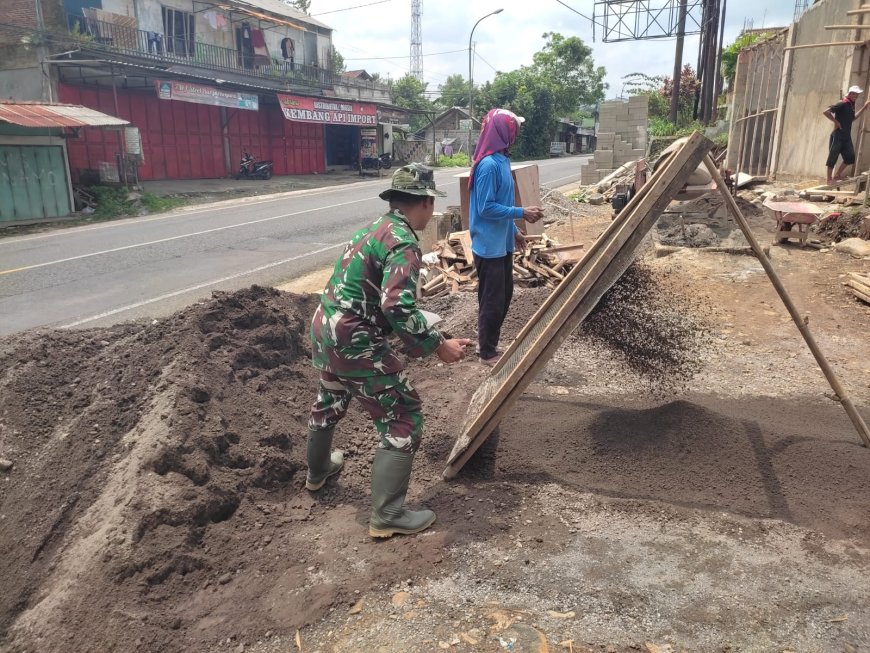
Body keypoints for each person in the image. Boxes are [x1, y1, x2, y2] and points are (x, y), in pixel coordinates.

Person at [306, 163, 471, 538]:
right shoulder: (404, 243)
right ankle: (388, 515)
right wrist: (438, 345)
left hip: (325, 327)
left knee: (330, 397)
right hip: (353, 337)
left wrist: (426, 336)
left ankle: (318, 471)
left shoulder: (372, 229)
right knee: (403, 415)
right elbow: (396, 305)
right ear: (426, 202)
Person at [468, 108, 544, 366]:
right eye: (514, 129)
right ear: (503, 132)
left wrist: (514, 231)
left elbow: (502, 202)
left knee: (503, 297)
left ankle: (487, 343)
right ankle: (487, 352)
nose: (517, 134)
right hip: (488, 246)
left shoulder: (502, 160)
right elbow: (485, 208)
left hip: (501, 243)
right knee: (493, 300)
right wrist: (521, 212)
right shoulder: (488, 166)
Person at [823, 85, 870, 185]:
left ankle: (837, 175)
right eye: (854, 94)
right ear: (850, 94)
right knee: (833, 157)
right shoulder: (843, 103)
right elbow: (826, 112)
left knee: (850, 157)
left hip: (846, 136)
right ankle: (829, 180)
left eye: (857, 94)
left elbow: (853, 118)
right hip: (838, 135)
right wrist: (836, 122)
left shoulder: (851, 105)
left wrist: (864, 107)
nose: (856, 96)